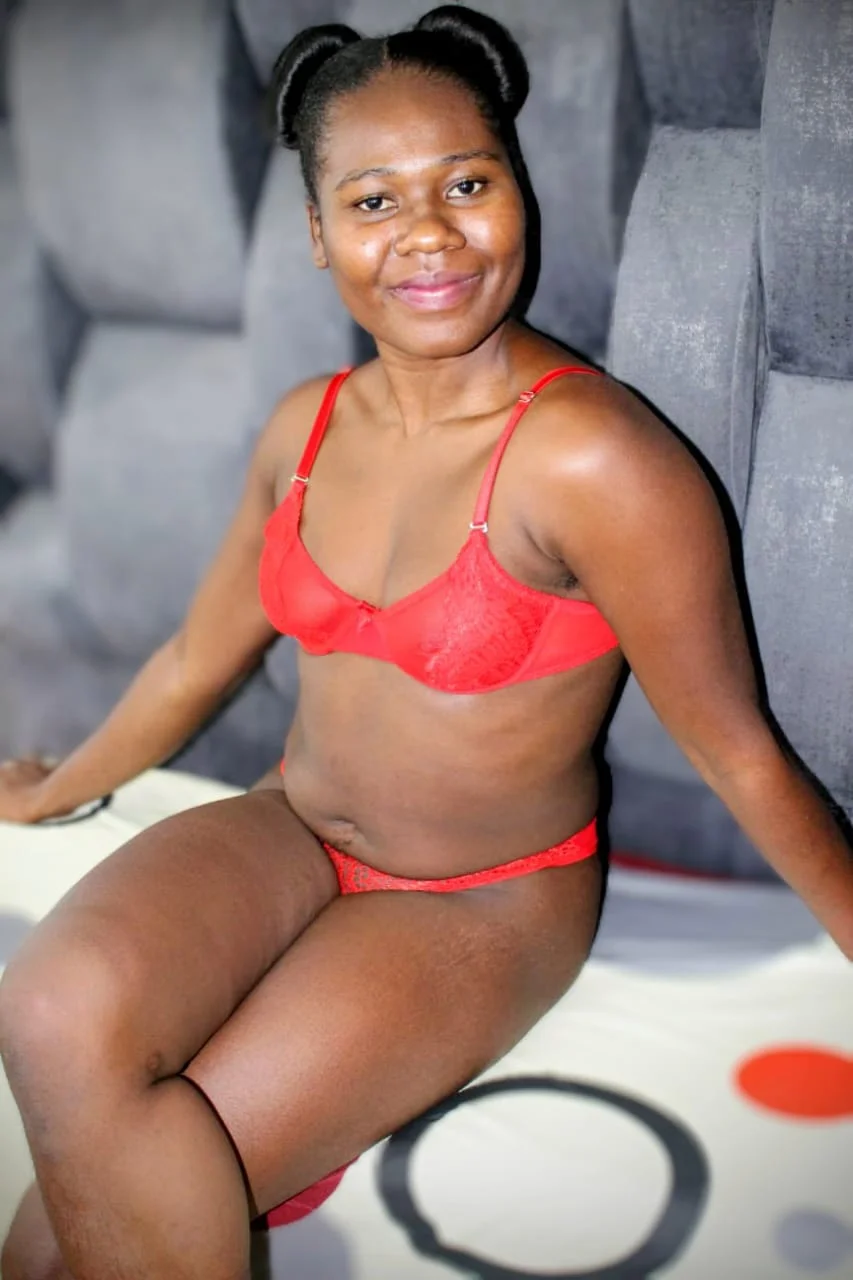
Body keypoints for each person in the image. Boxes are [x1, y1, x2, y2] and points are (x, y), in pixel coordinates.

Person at [1, 6, 851, 1278]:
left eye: (466, 183)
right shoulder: (303, 428)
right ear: (317, 232)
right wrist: (51, 791)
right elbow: (192, 660)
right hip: (291, 825)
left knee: (64, 1238)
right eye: (373, 200)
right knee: (43, 1005)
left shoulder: (595, 460)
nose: (430, 233)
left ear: (517, 192)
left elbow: (737, 751)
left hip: (483, 899)